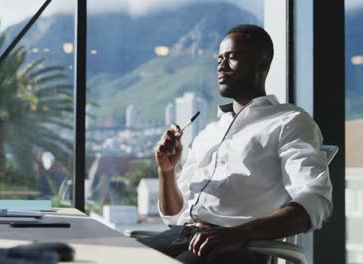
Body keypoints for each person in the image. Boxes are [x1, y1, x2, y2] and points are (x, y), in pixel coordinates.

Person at [138, 24, 333, 264]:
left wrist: (239, 234)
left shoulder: (289, 121)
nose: (221, 66)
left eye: (232, 58)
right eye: (219, 59)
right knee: (105, 255)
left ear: (262, 64)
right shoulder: (209, 133)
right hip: (182, 236)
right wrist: (166, 171)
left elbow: (315, 200)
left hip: (239, 247)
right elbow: (173, 214)